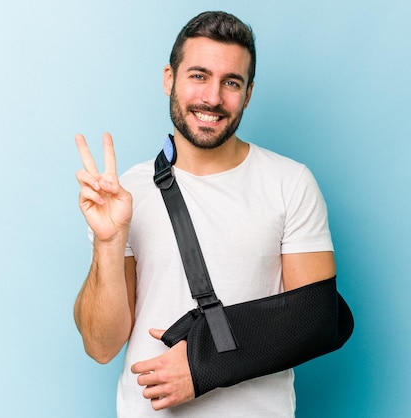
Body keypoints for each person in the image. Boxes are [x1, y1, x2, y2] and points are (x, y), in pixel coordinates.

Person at [74, 11, 337, 417]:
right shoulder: (127, 193)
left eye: (231, 83)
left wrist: (202, 364)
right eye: (198, 75)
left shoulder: (290, 182)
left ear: (248, 94)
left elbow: (316, 320)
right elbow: (100, 346)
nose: (213, 98)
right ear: (169, 78)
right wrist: (109, 243)